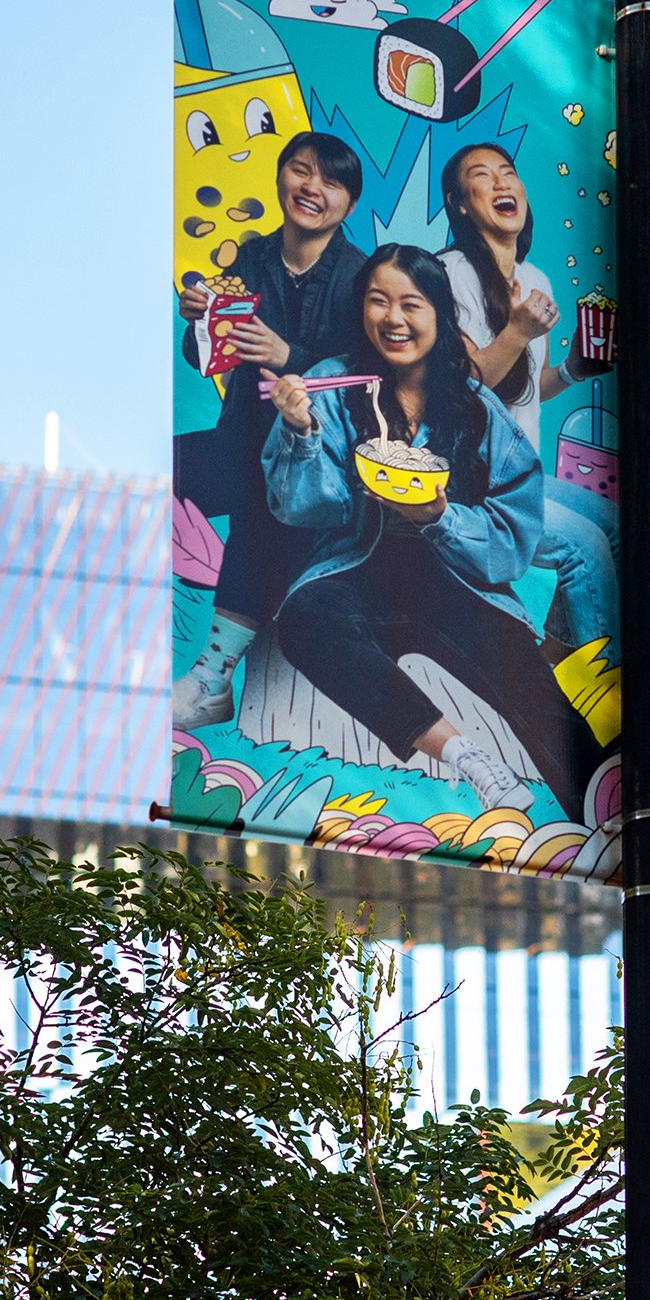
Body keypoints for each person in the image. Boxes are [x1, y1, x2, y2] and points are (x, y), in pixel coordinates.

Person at [262, 244, 608, 824]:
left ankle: (607, 811)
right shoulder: (330, 383)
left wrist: (442, 519)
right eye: (378, 302)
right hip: (356, 569)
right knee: (304, 620)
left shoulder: (473, 405)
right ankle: (467, 757)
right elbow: (304, 508)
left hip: (454, 578)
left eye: (411, 304)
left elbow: (515, 527)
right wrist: (298, 432)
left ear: (440, 315)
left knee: (526, 679)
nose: (393, 319)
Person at [172, 131, 367, 729]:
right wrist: (199, 325)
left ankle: (211, 679)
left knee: (265, 503)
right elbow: (208, 358)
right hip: (241, 439)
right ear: (280, 176)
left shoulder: (360, 278)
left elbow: (364, 381)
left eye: (331, 182)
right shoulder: (251, 258)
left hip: (318, 457)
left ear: (349, 204)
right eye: (301, 172)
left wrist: (290, 356)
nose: (312, 188)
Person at [438, 142, 619, 662]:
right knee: (584, 550)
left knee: (612, 525)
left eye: (508, 172)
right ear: (460, 204)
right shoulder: (447, 275)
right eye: (481, 176)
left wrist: (573, 369)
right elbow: (466, 390)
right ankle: (599, 695)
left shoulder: (534, 277)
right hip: (474, 483)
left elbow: (523, 389)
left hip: (521, 474)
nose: (501, 183)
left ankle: (561, 668)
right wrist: (517, 330)